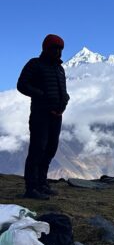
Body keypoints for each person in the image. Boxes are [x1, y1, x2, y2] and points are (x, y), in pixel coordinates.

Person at [17, 34, 70, 199]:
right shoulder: (35, 64)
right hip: (40, 114)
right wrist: (41, 95)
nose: (58, 52)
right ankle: (31, 188)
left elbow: (62, 90)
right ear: (46, 48)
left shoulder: (60, 69)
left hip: (57, 115)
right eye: (55, 48)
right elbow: (22, 85)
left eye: (60, 49)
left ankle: (42, 183)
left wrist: (64, 102)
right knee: (37, 149)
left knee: (50, 149)